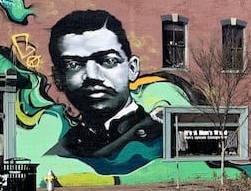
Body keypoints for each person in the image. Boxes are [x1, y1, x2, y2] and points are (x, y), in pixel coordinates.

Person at [45, 10, 163, 174]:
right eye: (73, 65)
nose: (92, 75)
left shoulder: (160, 135)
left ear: (132, 68)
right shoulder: (66, 145)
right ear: (58, 78)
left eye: (108, 61)